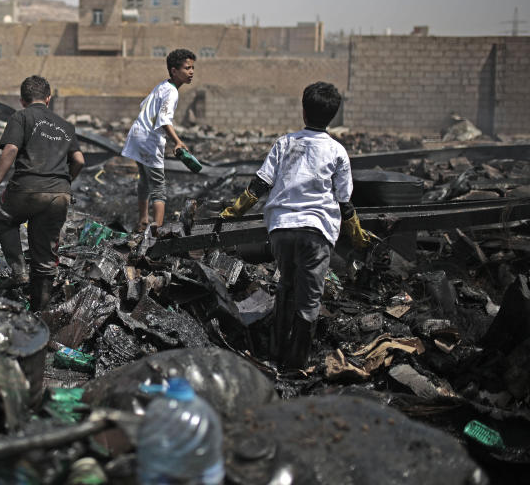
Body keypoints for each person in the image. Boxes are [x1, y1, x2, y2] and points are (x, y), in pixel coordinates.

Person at [219, 81, 374, 371]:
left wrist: (233, 211)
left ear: (303, 111)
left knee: (286, 287)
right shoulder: (337, 152)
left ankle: (275, 352)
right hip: (316, 232)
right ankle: (296, 363)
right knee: (309, 299)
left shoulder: (285, 143)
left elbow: (259, 184)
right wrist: (357, 235)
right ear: (334, 115)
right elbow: (345, 201)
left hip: (281, 228)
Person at [0, 75, 85, 311]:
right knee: (45, 256)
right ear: (48, 99)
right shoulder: (66, 126)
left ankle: (19, 271)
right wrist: (64, 182)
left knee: (2, 221)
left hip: (26, 188)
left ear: (22, 100)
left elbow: (11, 148)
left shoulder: (20, 117)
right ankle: (40, 313)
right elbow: (79, 160)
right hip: (59, 194)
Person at [121, 48, 195, 235]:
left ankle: (143, 221)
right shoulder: (171, 92)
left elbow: (143, 106)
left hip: (137, 136)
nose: (191, 72)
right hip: (149, 141)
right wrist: (177, 142)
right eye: (187, 68)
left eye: (192, 68)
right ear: (174, 71)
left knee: (144, 182)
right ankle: (156, 231)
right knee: (159, 188)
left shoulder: (162, 85)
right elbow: (164, 119)